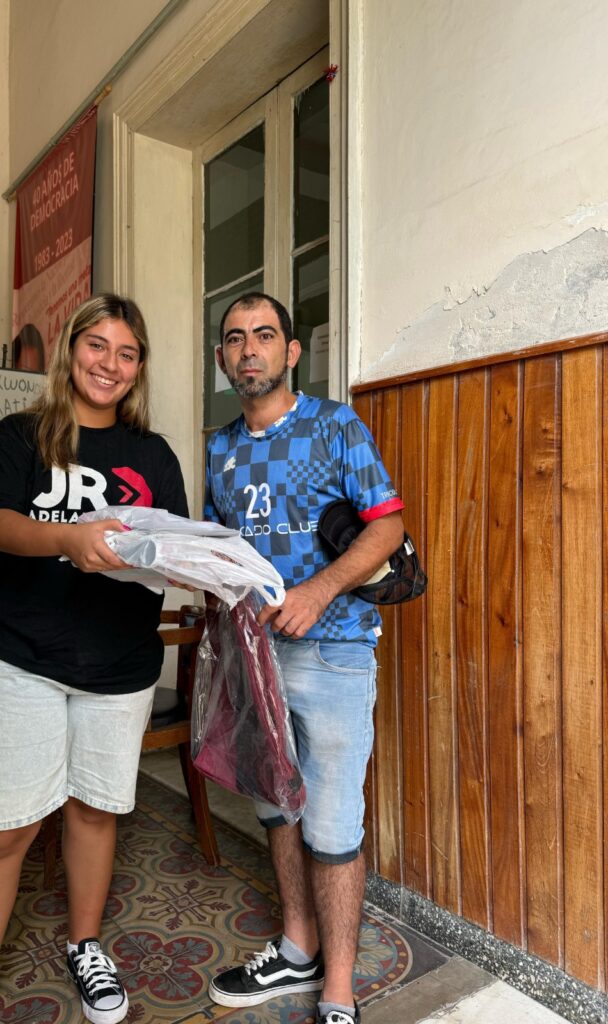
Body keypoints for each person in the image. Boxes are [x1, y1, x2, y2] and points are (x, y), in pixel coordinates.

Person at [0, 294, 189, 1024]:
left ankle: (85, 944)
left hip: (118, 664)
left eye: (126, 353)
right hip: (18, 654)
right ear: (69, 349)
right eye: (97, 346)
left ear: (139, 367)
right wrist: (67, 538)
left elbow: (171, 544)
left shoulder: (153, 455)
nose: (109, 365)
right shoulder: (18, 436)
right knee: (2, 832)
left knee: (94, 810)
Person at [204, 293, 404, 1024]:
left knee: (332, 824)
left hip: (335, 650)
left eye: (264, 336)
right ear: (223, 358)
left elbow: (386, 528)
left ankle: (339, 992)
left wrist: (317, 591)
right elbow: (219, 548)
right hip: (255, 655)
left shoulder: (334, 426)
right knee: (275, 805)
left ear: (292, 351)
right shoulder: (219, 447)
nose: (249, 349)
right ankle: (296, 949)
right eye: (234, 339)